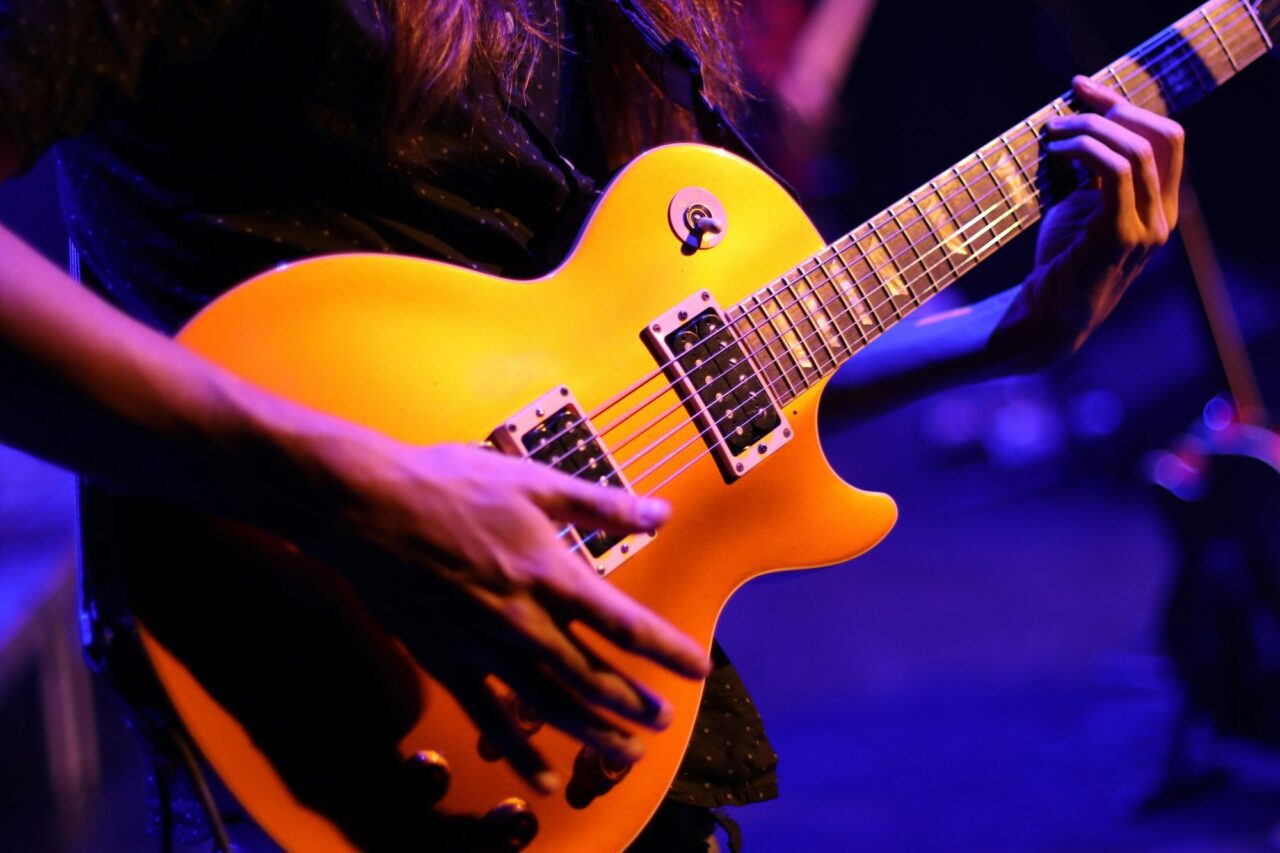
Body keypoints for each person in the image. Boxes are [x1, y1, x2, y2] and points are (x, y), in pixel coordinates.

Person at [0, 0, 1184, 848]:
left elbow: (690, 392)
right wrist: (360, 495)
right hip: (330, 712)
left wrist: (998, 333)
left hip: (598, 751)